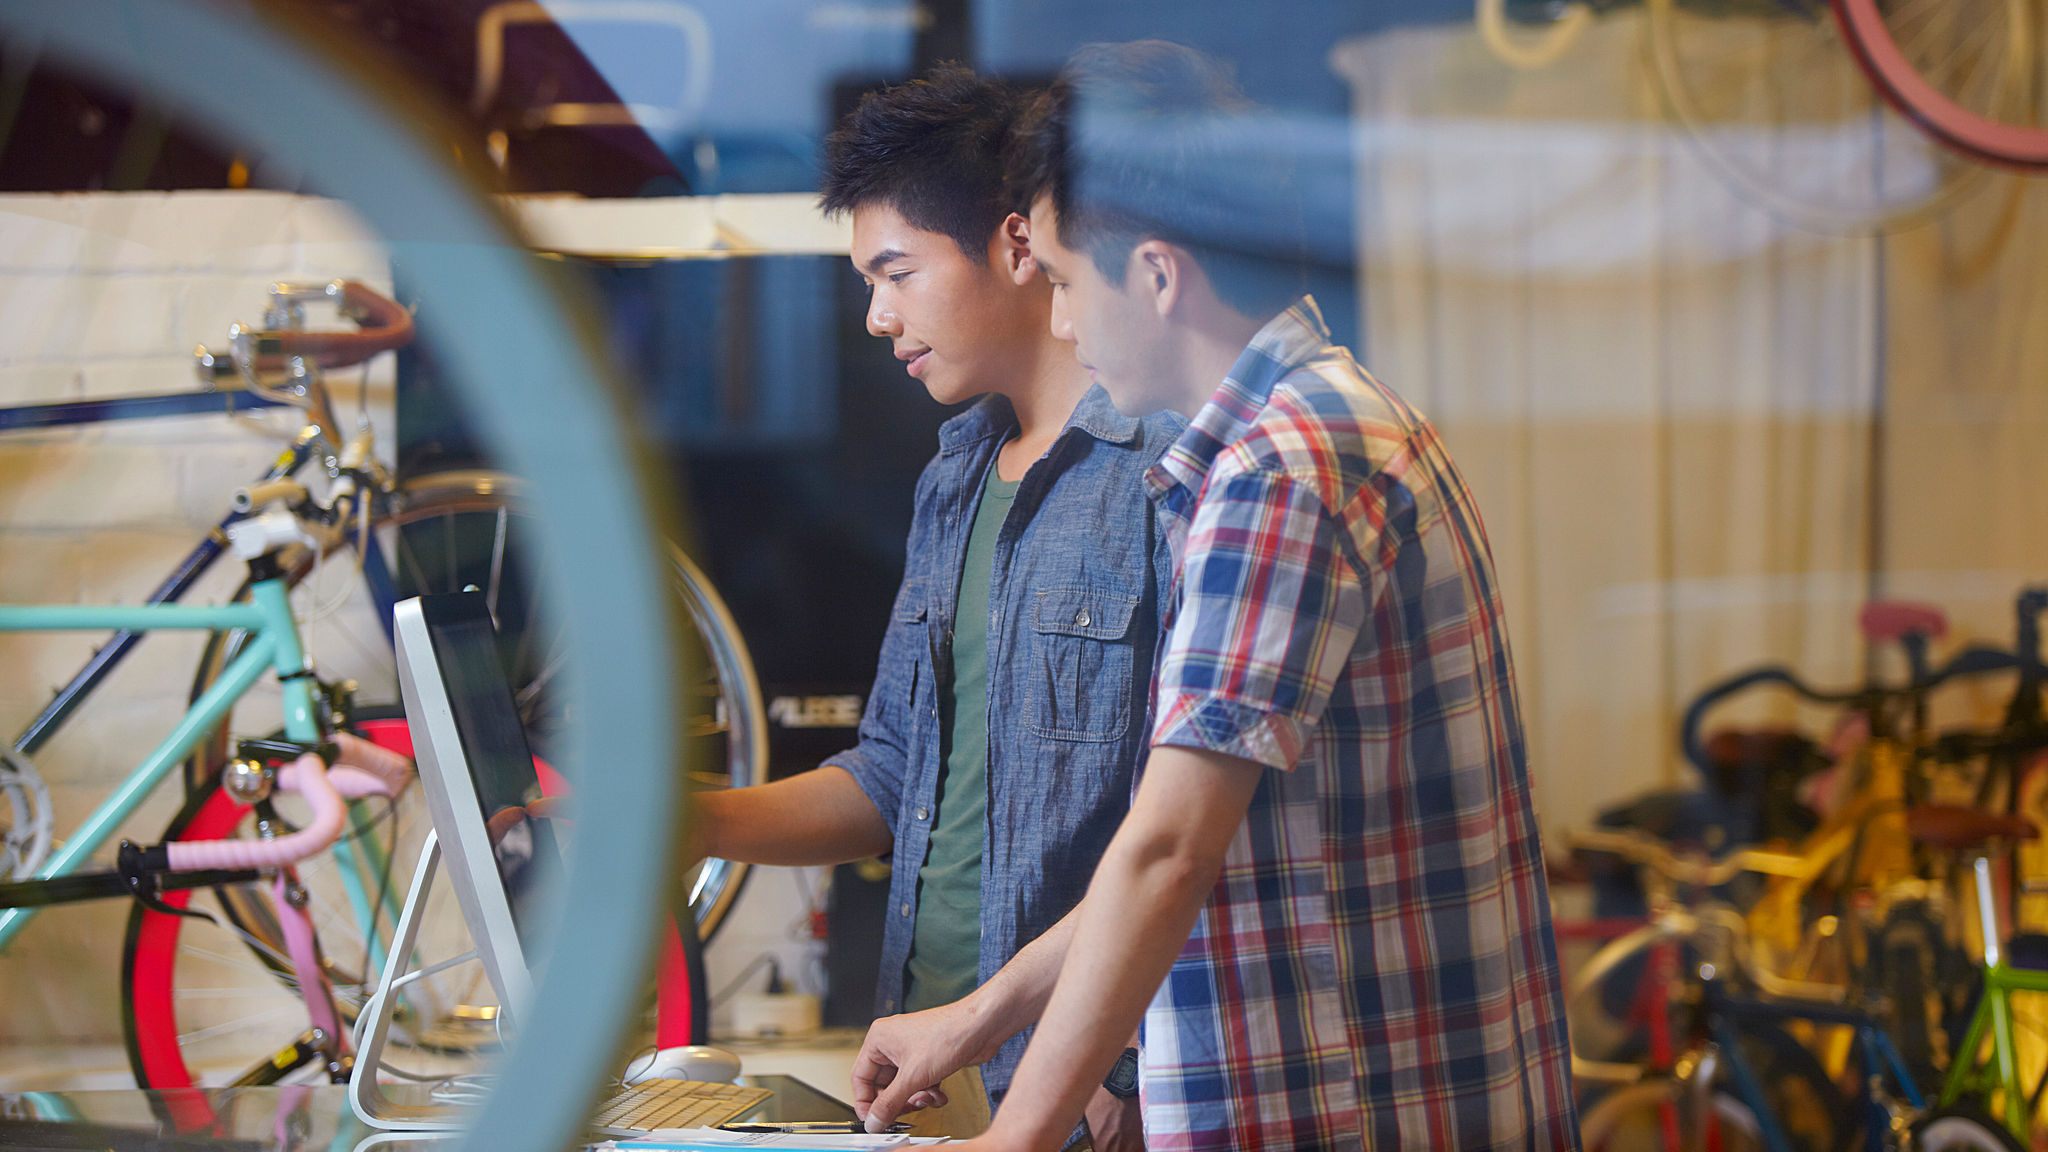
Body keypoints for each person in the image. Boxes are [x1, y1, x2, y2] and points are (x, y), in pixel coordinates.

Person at [849, 42, 1579, 1150]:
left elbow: (1165, 853)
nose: (1057, 324)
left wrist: (1016, 1137)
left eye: (1061, 279)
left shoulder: (1279, 471)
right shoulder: (1329, 422)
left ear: (1153, 274)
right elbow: (1203, 844)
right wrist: (979, 1014)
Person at [690, 63, 1179, 1147]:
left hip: (1089, 1080)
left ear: (1016, 247)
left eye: (897, 273)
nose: (876, 317)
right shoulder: (954, 474)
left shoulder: (1162, 473)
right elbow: (894, 769)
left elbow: (1193, 829)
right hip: (931, 1056)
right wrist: (693, 821)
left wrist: (1128, 1064)